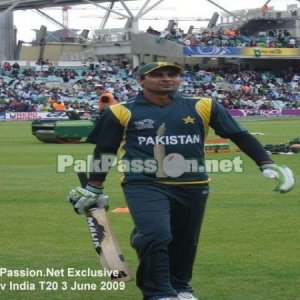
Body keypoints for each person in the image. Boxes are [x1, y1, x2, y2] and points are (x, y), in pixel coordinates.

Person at [68, 62, 295, 300]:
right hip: (143, 182)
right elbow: (105, 150)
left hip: (194, 184)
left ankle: (180, 287)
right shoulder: (120, 111)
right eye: (157, 75)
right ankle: (158, 292)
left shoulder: (204, 105)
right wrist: (94, 187)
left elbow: (238, 134)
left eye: (172, 74)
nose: (167, 79)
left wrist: (266, 163)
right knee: (156, 234)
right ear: (140, 81)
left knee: (185, 241)